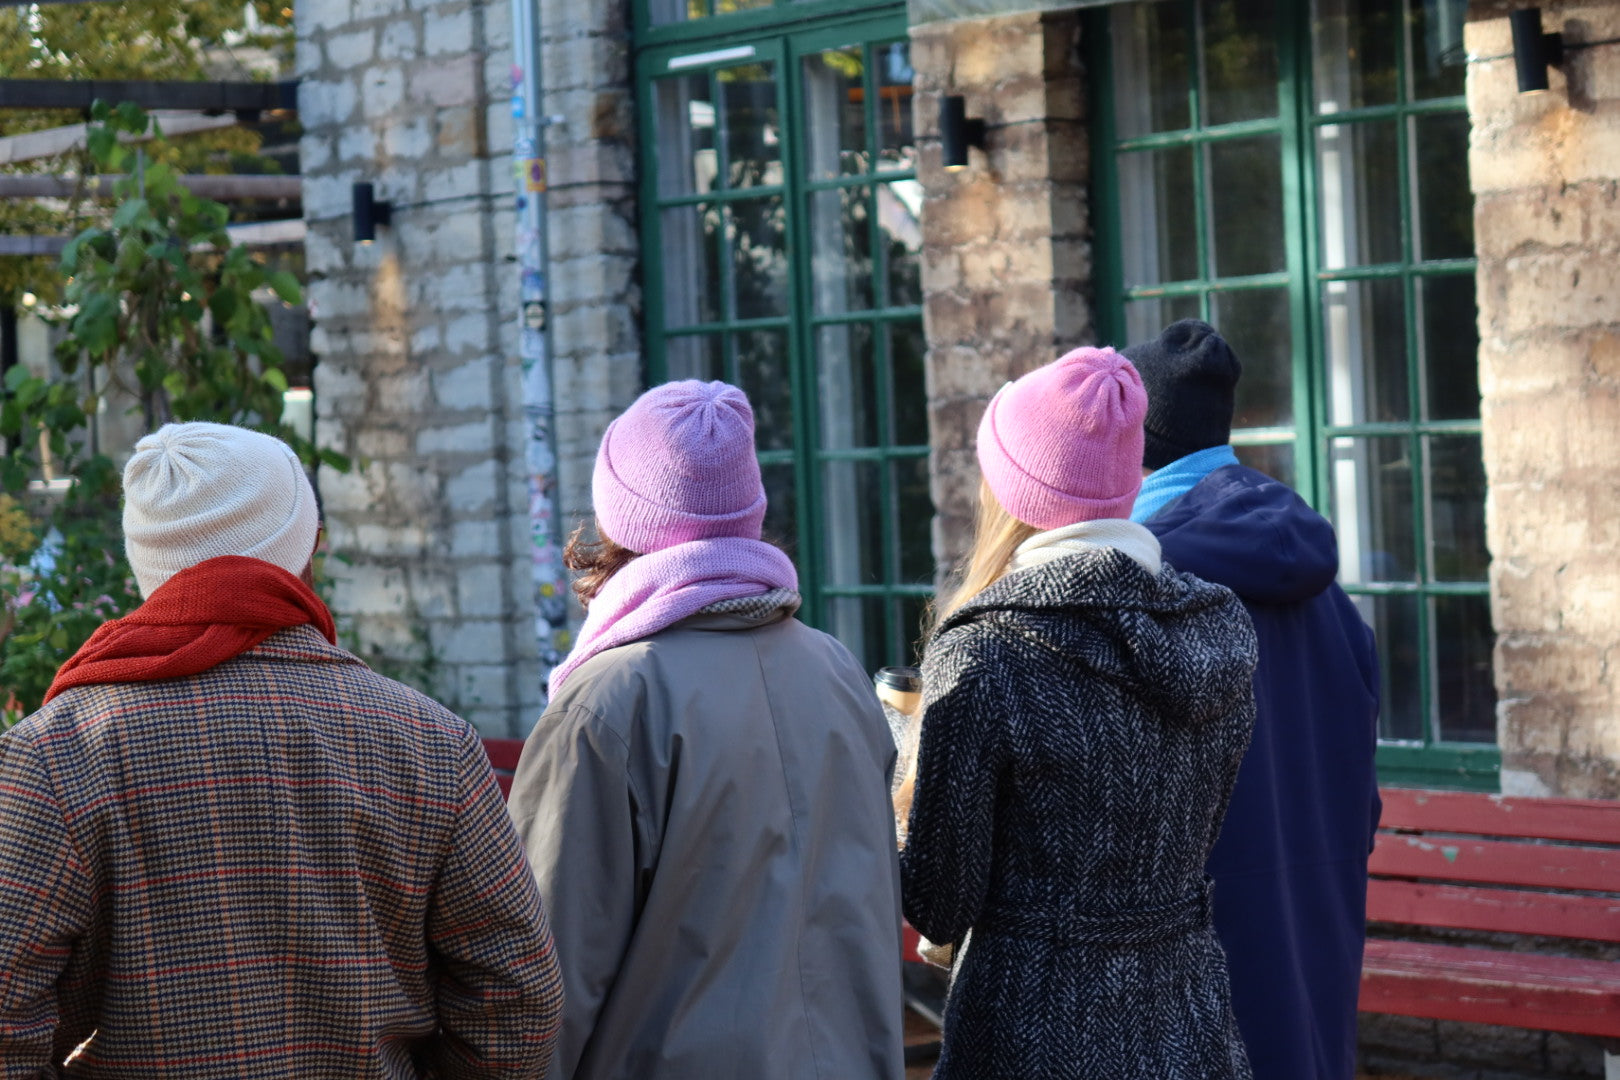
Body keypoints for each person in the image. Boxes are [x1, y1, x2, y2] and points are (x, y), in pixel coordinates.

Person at [0, 422, 563, 1078]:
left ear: (146, 565)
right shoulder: (433, 743)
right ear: (307, 552)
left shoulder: (56, 754)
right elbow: (520, 997)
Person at [507, 380, 905, 1080]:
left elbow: (541, 985)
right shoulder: (836, 670)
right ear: (748, 516)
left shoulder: (607, 704)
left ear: (620, 525)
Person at [899, 346, 1259, 1080]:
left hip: (1027, 1030)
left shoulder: (986, 653)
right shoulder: (1217, 627)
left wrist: (905, 793)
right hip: (1186, 1023)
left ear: (1014, 492)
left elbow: (937, 906)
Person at [1123, 319, 1381, 1080]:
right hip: (1315, 960)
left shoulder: (1144, 589)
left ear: (1135, 441)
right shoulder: (1330, 593)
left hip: (1192, 987)